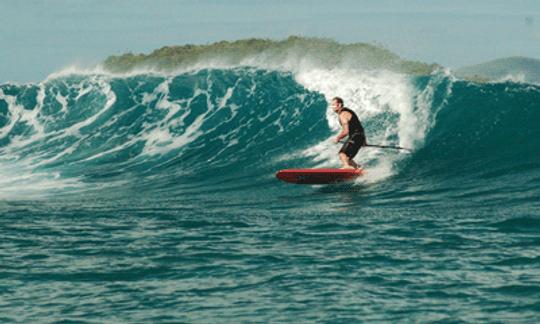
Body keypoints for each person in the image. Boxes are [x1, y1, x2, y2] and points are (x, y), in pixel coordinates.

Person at [331, 97, 366, 169]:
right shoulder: (348, 111)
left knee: (342, 154)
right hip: (360, 137)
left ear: (340, 105)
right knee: (347, 159)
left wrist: (338, 138)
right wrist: (363, 141)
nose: (332, 107)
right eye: (331, 105)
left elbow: (346, 131)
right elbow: (359, 127)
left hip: (355, 136)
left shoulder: (343, 114)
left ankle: (346, 167)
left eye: (334, 105)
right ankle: (358, 169)